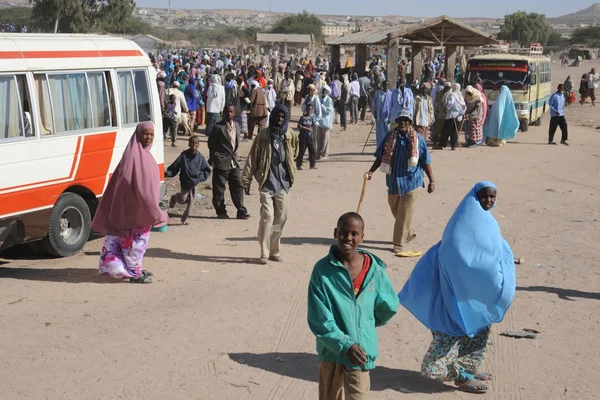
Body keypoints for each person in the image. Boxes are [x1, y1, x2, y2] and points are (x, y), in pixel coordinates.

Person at [398, 181, 516, 394]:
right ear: (475, 197)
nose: (489, 201)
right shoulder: (461, 223)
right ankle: (461, 378)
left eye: (492, 197)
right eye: (484, 196)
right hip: (454, 293)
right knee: (456, 330)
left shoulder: (488, 223)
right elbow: (457, 255)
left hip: (474, 294)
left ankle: (467, 369)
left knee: (478, 331)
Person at [307, 212, 398, 400]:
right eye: (343, 232)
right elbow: (319, 317)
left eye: (354, 234)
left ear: (362, 237)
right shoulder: (322, 270)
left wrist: (364, 325)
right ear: (335, 233)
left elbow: (388, 306)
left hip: (360, 354)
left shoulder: (373, 270)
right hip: (331, 351)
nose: (348, 238)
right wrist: (345, 344)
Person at [91, 122, 168, 284]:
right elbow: (127, 182)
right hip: (133, 210)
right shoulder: (132, 156)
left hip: (139, 209)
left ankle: (133, 268)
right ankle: (134, 272)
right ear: (138, 134)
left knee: (133, 243)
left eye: (151, 135)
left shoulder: (144, 154)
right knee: (135, 243)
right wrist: (147, 206)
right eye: (146, 134)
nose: (149, 138)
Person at [367, 109, 435, 254]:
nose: (403, 123)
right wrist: (371, 171)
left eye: (406, 120)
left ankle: (398, 243)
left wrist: (432, 180)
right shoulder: (390, 137)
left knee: (404, 213)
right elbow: (380, 156)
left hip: (412, 181)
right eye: (400, 120)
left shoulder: (418, 139)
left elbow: (425, 161)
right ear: (396, 122)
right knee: (396, 210)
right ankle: (409, 232)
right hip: (393, 181)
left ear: (410, 122)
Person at [242, 104, 299, 264]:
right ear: (273, 117)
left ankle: (275, 251)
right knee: (268, 216)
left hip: (283, 183)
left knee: (281, 217)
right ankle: (264, 253)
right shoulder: (263, 135)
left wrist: (291, 170)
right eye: (277, 116)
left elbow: (294, 152)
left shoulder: (290, 135)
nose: (280, 119)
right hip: (267, 182)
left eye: (283, 117)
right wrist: (246, 179)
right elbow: (253, 157)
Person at [208, 104, 250, 219]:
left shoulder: (236, 125)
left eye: (231, 112)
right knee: (219, 188)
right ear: (223, 113)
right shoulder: (218, 127)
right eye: (227, 112)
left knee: (238, 185)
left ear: (234, 113)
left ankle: (241, 210)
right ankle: (221, 211)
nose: (229, 114)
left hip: (233, 161)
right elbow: (211, 143)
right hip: (221, 162)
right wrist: (215, 157)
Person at [166, 136, 212, 224]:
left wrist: (200, 179)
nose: (193, 145)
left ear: (198, 145)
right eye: (192, 142)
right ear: (189, 144)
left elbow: (207, 170)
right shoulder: (183, 156)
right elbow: (175, 166)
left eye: (195, 143)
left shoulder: (200, 157)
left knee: (191, 203)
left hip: (195, 183)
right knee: (182, 199)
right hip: (185, 182)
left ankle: (184, 219)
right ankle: (175, 197)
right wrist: (168, 173)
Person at [438, 83, 466, 151]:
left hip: (451, 115)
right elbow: (464, 107)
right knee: (454, 131)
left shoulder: (452, 95)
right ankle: (453, 145)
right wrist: (460, 114)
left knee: (446, 130)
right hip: (458, 116)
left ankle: (441, 144)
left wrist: (446, 109)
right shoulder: (461, 96)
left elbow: (450, 103)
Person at [372, 80, 393, 147]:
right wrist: (374, 113)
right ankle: (380, 148)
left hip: (387, 117)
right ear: (382, 85)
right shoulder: (377, 93)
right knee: (380, 134)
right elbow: (374, 104)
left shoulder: (391, 94)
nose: (386, 86)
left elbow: (392, 106)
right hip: (379, 116)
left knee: (388, 134)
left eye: (387, 85)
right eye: (385, 85)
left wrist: (391, 117)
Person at [297, 103, 317, 170]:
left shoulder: (311, 118)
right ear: (306, 110)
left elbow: (313, 127)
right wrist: (307, 128)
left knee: (313, 151)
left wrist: (313, 136)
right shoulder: (302, 118)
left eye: (310, 110)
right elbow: (299, 126)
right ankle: (298, 165)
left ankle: (312, 165)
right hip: (303, 137)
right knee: (301, 151)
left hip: (310, 137)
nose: (309, 111)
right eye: (308, 109)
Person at [317, 85, 334, 160]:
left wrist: (322, 105)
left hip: (326, 121)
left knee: (325, 139)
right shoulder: (319, 99)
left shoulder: (329, 100)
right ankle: (318, 153)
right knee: (319, 138)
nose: (324, 92)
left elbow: (328, 111)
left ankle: (325, 154)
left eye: (326, 91)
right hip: (319, 121)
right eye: (323, 90)